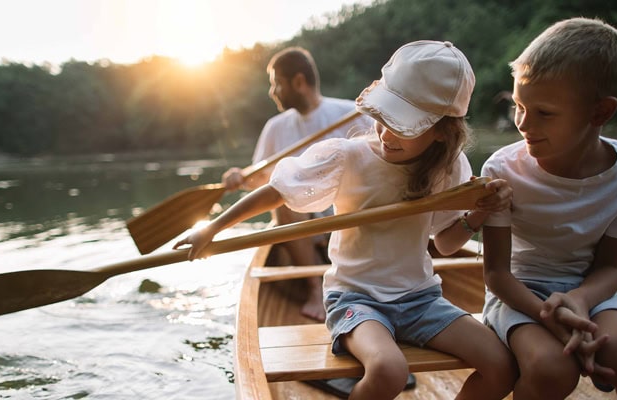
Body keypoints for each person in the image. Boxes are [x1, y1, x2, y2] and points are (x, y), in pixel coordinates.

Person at [176, 40, 516, 400]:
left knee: (501, 364)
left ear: (441, 132)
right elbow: (276, 191)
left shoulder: (450, 168)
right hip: (356, 297)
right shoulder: (348, 157)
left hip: (420, 298)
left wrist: (479, 213)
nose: (385, 134)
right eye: (383, 119)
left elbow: (446, 243)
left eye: (402, 127)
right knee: (390, 370)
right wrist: (211, 228)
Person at [480, 17, 617, 399]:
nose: (522, 123)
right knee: (551, 367)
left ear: (600, 113)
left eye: (544, 113)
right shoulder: (502, 170)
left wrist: (579, 302)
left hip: (591, 293)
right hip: (518, 294)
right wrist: (550, 316)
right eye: (519, 105)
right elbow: (497, 274)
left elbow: (610, 269)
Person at [221, 46, 372, 322]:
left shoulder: (353, 113)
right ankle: (315, 288)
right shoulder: (275, 127)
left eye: (276, 83)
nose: (272, 92)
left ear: (299, 82)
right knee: (284, 199)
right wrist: (237, 177)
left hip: (350, 217)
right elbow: (257, 179)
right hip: (302, 227)